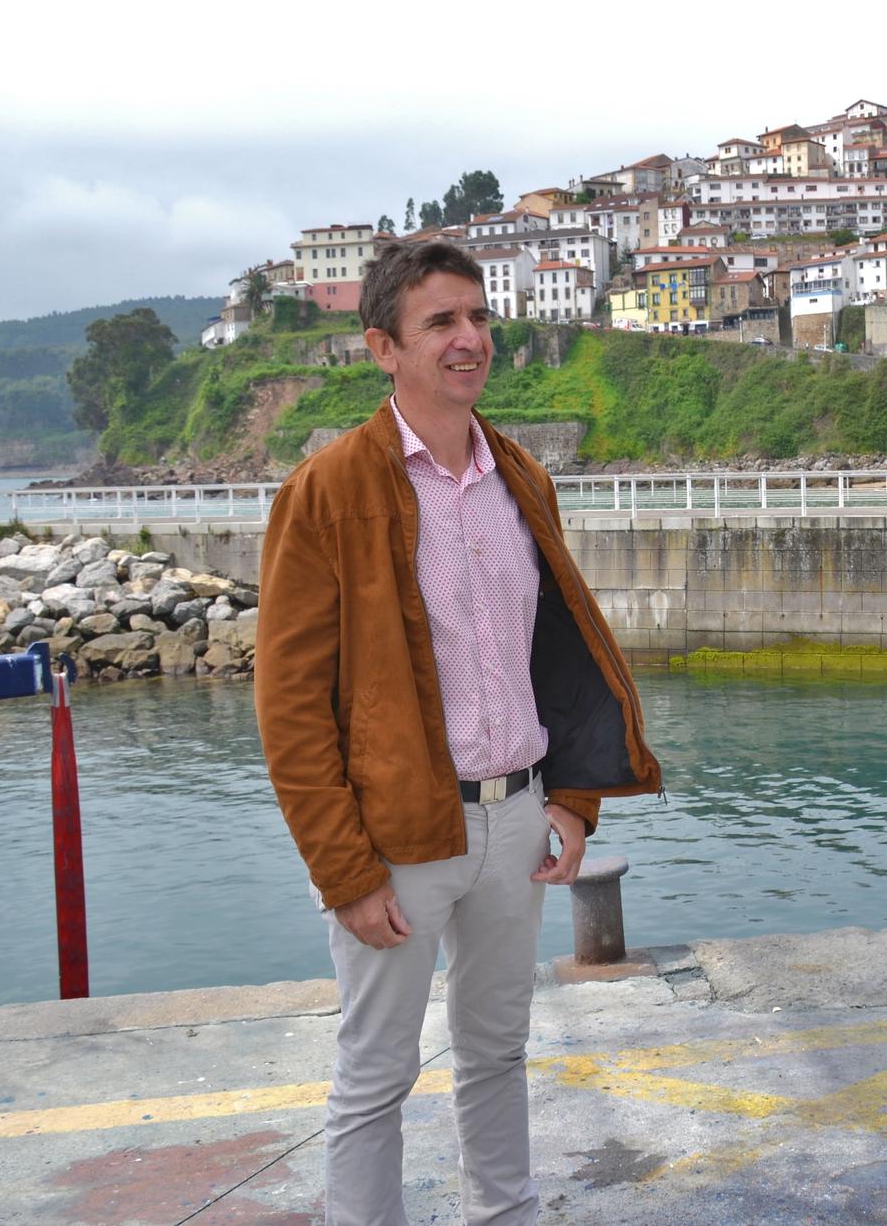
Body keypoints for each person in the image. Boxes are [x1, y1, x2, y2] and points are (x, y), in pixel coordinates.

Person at [256, 239, 661, 1226]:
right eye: (440, 321)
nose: (469, 338)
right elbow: (290, 703)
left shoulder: (518, 476)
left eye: (477, 317)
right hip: (395, 840)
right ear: (381, 347)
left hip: (516, 817)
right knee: (375, 1077)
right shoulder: (327, 491)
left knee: (497, 1056)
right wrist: (343, 869)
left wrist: (573, 799)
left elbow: (554, 656)